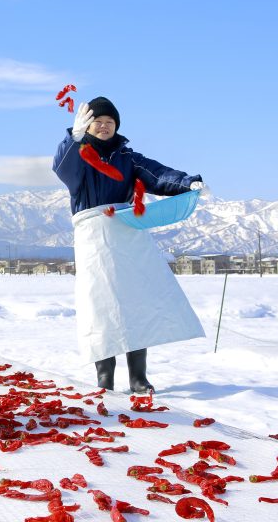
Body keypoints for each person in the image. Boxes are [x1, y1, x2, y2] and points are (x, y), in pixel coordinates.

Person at [52, 96, 205, 393]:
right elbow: (62, 169)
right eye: (98, 121)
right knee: (101, 305)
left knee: (137, 302)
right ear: (88, 125)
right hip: (93, 235)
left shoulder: (128, 157)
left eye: (110, 122)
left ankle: (138, 377)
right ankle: (105, 378)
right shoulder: (79, 155)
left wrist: (188, 183)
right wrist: (73, 138)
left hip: (126, 230)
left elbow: (158, 175)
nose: (104, 126)